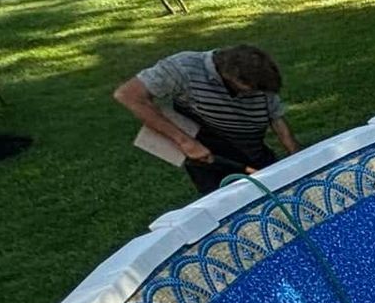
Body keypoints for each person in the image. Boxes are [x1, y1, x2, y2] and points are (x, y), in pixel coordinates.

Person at [113, 44, 299, 196]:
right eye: (252, 90)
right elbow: (128, 95)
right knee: (233, 209)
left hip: (254, 152)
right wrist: (185, 142)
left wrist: (296, 154)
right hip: (210, 158)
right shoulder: (183, 68)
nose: (257, 94)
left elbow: (276, 117)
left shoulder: (258, 78)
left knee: (282, 195)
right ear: (231, 77)